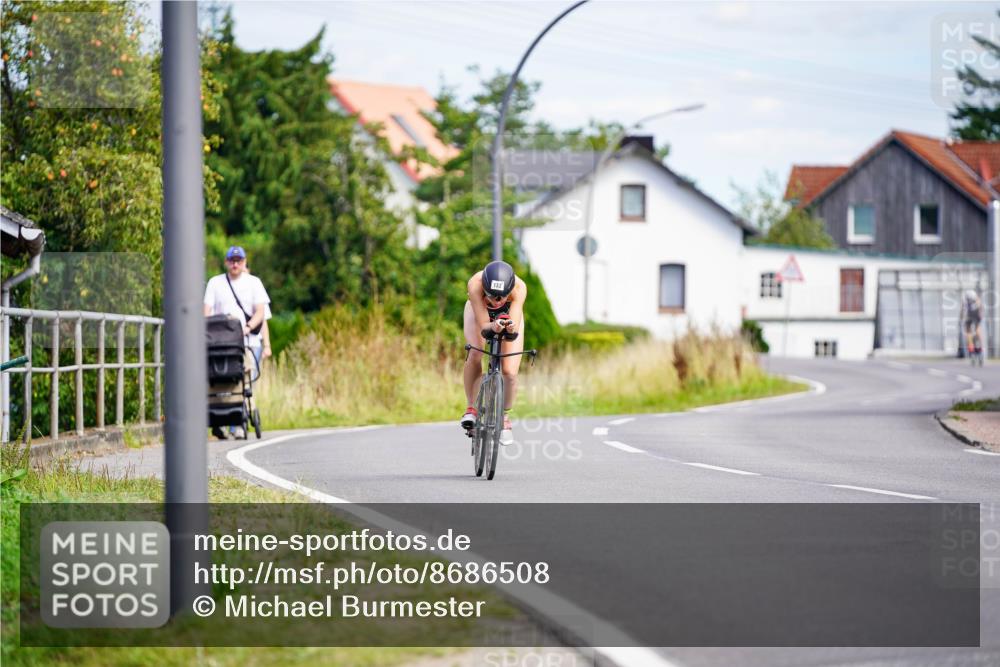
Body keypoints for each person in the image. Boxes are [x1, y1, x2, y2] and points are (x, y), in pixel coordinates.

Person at [203, 246, 271, 438]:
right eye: (232, 261)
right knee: (216, 379)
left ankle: (239, 422)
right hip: (219, 342)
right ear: (226, 262)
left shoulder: (254, 283)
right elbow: (206, 310)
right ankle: (219, 419)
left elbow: (260, 312)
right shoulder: (215, 283)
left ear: (244, 262)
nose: (235, 264)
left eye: (238, 261)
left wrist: (248, 327)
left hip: (246, 340)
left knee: (245, 378)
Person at [460, 260, 527, 445]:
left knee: (510, 371)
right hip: (479, 313)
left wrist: (508, 327)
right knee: (475, 352)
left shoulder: (519, 288)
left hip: (508, 315)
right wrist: (493, 326)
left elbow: (512, 330)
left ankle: (504, 417)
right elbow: (484, 326)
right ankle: (471, 408)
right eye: (491, 296)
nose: (496, 301)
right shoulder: (475, 284)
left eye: (501, 297)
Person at [963, 289, 984, 356]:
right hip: (976, 317)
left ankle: (971, 347)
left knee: (968, 331)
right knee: (977, 330)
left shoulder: (966, 300)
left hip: (971, 317)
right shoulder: (977, 299)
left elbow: (963, 310)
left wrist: (962, 318)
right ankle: (980, 345)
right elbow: (981, 308)